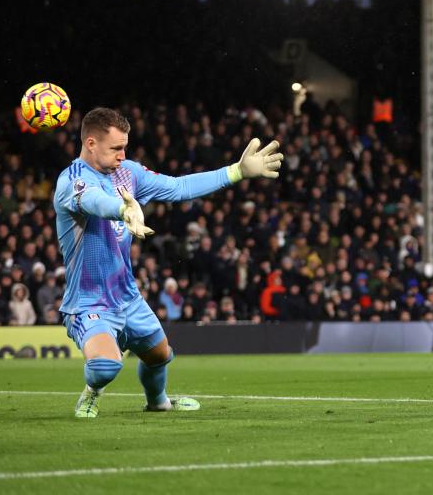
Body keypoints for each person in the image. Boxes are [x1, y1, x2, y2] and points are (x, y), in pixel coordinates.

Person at [54, 107, 282, 418]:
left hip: (127, 296)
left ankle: (158, 401)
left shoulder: (127, 173)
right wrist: (123, 210)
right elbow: (95, 201)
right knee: (106, 366)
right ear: (91, 143)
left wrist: (236, 171)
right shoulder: (72, 181)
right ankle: (91, 394)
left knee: (160, 355)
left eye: (125, 147)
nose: (122, 155)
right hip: (89, 301)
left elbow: (178, 188)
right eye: (116, 148)